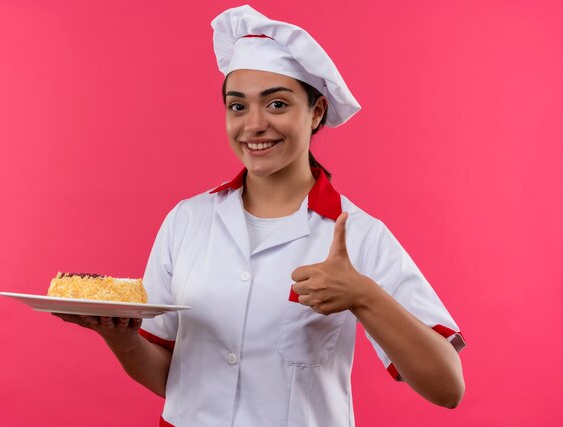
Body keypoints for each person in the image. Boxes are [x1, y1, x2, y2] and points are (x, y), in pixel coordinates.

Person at [54, 5, 466, 426]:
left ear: (317, 112)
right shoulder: (186, 221)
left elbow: (447, 387)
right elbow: (171, 376)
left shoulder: (358, 233)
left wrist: (364, 295)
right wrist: (118, 337)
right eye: (238, 107)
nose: (253, 125)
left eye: (276, 104)